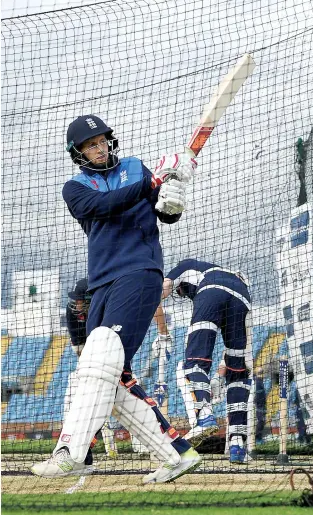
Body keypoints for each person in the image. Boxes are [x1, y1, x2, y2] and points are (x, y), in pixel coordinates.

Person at [32, 115, 200, 483]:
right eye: (90, 145)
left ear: (111, 141)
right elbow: (107, 206)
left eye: (103, 141)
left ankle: (71, 453)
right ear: (79, 153)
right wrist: (151, 182)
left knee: (103, 353)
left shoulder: (135, 169)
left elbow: (162, 212)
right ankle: (175, 454)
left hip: (140, 272)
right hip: (101, 284)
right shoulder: (75, 188)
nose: (99, 148)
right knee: (108, 373)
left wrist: (171, 199)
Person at [161, 258, 253, 464]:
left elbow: (164, 287)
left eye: (181, 292)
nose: (182, 295)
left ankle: (204, 415)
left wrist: (145, 307)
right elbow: (237, 354)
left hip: (211, 293)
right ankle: (238, 444)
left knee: (194, 362)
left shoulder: (187, 265)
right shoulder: (235, 277)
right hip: (244, 301)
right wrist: (222, 373)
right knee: (238, 373)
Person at [64, 278, 118, 458]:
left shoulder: (106, 310)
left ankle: (139, 448)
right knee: (73, 392)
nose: (76, 304)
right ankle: (69, 445)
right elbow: (78, 347)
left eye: (80, 300)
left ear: (89, 300)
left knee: (118, 401)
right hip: (88, 358)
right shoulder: (71, 313)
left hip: (112, 359)